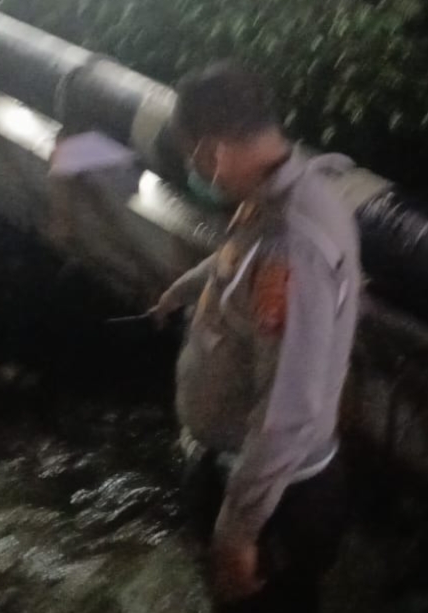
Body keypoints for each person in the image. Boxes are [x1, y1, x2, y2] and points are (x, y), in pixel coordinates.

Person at [150, 62, 361, 612]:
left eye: (192, 158)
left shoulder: (292, 248)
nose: (195, 171)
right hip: (255, 482)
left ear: (213, 153)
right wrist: (185, 288)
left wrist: (237, 532)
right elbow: (237, 263)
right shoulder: (280, 194)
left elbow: (287, 412)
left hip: (276, 503)